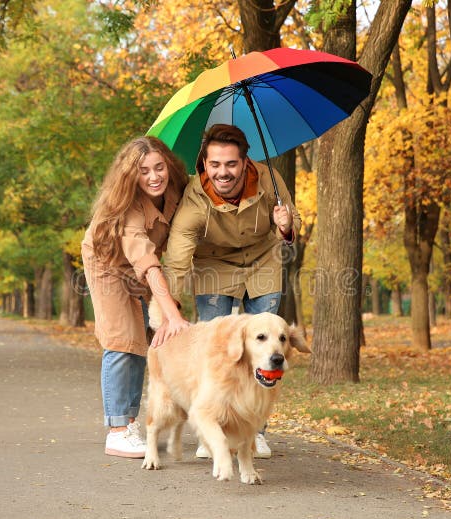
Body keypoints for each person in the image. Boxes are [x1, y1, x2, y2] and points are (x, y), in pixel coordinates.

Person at [162, 123, 302, 459]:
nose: (223, 172)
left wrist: (286, 225)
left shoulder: (269, 180)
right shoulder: (194, 199)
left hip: (262, 263)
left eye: (231, 164)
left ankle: (256, 433)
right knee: (219, 353)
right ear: (204, 165)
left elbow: (294, 220)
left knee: (266, 350)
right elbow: (179, 256)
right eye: (215, 165)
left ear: (244, 162)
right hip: (215, 267)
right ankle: (216, 431)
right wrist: (171, 307)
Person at [81, 136, 190, 458]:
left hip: (142, 266)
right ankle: (117, 430)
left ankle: (129, 423)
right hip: (107, 263)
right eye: (144, 171)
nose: (154, 177)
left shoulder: (177, 191)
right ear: (131, 175)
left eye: (159, 168)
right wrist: (172, 315)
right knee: (122, 339)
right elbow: (148, 264)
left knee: (142, 342)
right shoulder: (127, 209)